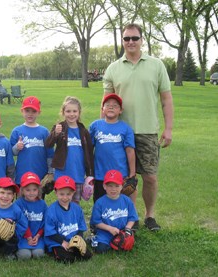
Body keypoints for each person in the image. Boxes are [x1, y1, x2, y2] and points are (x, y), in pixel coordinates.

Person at [102, 23, 173, 231]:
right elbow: (106, 103)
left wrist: (168, 129)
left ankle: (150, 216)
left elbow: (166, 100)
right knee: (127, 178)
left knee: (150, 177)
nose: (131, 42)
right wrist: (102, 130)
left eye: (134, 38)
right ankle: (131, 216)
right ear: (122, 41)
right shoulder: (113, 68)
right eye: (126, 39)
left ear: (142, 40)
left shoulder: (156, 65)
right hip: (119, 132)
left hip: (148, 131)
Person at [89, 93, 137, 207]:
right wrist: (88, 171)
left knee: (118, 203)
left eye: (115, 105)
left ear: (121, 110)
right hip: (100, 173)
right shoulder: (95, 126)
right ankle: (98, 222)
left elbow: (130, 151)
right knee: (99, 202)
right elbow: (89, 149)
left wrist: (132, 173)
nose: (111, 107)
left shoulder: (126, 128)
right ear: (102, 109)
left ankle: (118, 221)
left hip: (120, 174)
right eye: (108, 105)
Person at [45, 96, 94, 204]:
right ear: (63, 112)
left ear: (79, 112)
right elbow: (48, 144)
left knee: (75, 202)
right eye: (68, 111)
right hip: (62, 173)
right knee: (63, 201)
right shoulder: (59, 127)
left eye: (74, 111)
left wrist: (90, 173)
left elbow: (89, 153)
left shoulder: (83, 131)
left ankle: (74, 220)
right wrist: (55, 134)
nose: (71, 114)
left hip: (78, 173)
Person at [44, 175, 92, 263]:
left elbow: (81, 228)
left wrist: (78, 240)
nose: (65, 197)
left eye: (68, 194)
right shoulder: (51, 210)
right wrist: (63, 243)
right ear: (56, 192)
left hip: (72, 240)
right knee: (68, 259)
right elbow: (51, 233)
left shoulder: (77, 209)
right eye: (61, 194)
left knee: (87, 256)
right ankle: (53, 251)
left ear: (73, 193)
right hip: (57, 241)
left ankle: (73, 250)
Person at [89, 169, 138, 254]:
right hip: (105, 232)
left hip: (122, 231)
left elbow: (132, 218)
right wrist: (109, 228)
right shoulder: (100, 202)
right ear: (104, 186)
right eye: (110, 186)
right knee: (101, 250)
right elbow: (96, 222)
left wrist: (127, 229)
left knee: (126, 247)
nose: (113, 189)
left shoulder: (127, 200)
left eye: (117, 186)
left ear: (122, 186)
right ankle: (92, 239)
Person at [10, 96, 54, 188]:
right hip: (22, 173)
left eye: (34, 111)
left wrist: (50, 171)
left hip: (40, 173)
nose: (30, 114)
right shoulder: (17, 131)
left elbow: (50, 153)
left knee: (38, 199)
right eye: (27, 111)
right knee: (21, 200)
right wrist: (17, 147)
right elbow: (11, 153)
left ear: (39, 112)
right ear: (22, 111)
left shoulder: (44, 131)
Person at [14, 172, 47, 260]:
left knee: (38, 254)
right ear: (22, 191)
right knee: (25, 255)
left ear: (38, 190)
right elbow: (19, 222)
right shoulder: (18, 203)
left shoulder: (42, 204)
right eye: (28, 190)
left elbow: (45, 222)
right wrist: (28, 237)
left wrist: (38, 236)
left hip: (37, 237)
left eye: (34, 189)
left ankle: (37, 246)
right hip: (23, 237)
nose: (31, 193)